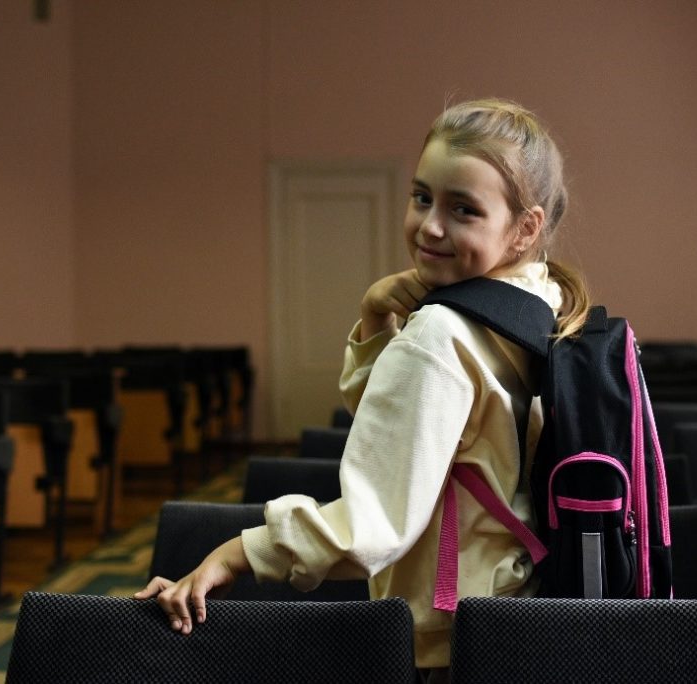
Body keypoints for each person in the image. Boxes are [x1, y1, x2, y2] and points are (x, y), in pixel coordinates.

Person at [136, 98, 591, 676]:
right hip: (518, 609)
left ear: (525, 228)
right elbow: (411, 431)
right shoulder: (541, 300)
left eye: (463, 210)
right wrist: (379, 326)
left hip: (451, 630)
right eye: (422, 197)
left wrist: (239, 552)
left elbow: (375, 526)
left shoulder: (444, 333)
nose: (430, 226)